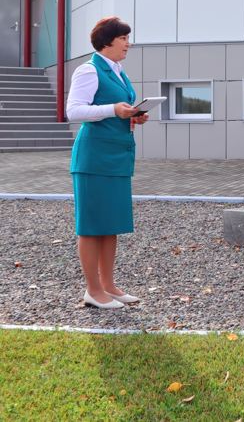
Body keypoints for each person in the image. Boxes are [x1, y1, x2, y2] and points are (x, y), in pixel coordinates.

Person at [67, 16, 149, 309]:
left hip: (116, 156)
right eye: (124, 38)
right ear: (107, 42)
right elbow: (73, 111)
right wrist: (114, 109)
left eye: (128, 37)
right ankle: (93, 290)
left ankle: (108, 285)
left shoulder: (118, 71)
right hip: (94, 158)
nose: (129, 43)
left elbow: (116, 110)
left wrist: (133, 114)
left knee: (110, 223)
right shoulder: (89, 70)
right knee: (91, 225)